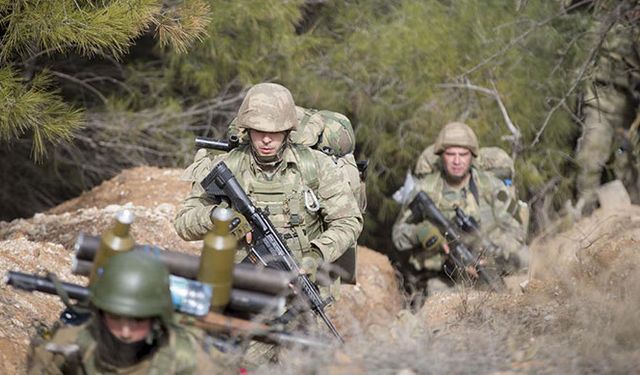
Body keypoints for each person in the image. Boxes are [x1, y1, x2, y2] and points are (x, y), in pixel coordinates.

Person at [173, 82, 363, 365]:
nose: (266, 140)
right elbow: (183, 223)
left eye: (275, 133)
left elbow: (348, 221)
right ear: (247, 129)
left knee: (311, 364)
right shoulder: (226, 166)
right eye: (259, 131)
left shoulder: (316, 167)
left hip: (302, 291)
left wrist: (315, 255)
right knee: (241, 364)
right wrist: (219, 218)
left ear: (288, 131)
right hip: (245, 294)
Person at [392, 122, 527, 307]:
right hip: (442, 280)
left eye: (463, 155)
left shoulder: (492, 186)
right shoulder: (425, 190)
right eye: (450, 154)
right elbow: (399, 236)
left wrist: (492, 255)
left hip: (489, 271)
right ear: (441, 156)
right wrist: (422, 233)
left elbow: (516, 231)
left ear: (472, 156)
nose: (457, 161)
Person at [27, 252, 224, 374]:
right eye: (115, 317)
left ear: (156, 317)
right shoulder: (70, 344)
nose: (126, 331)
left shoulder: (184, 360)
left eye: (138, 320)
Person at [574, 8, 640, 213]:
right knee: (591, 156)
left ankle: (634, 209)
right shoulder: (604, 25)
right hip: (599, 105)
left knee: (623, 158)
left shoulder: (634, 34)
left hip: (626, 113)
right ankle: (586, 210)